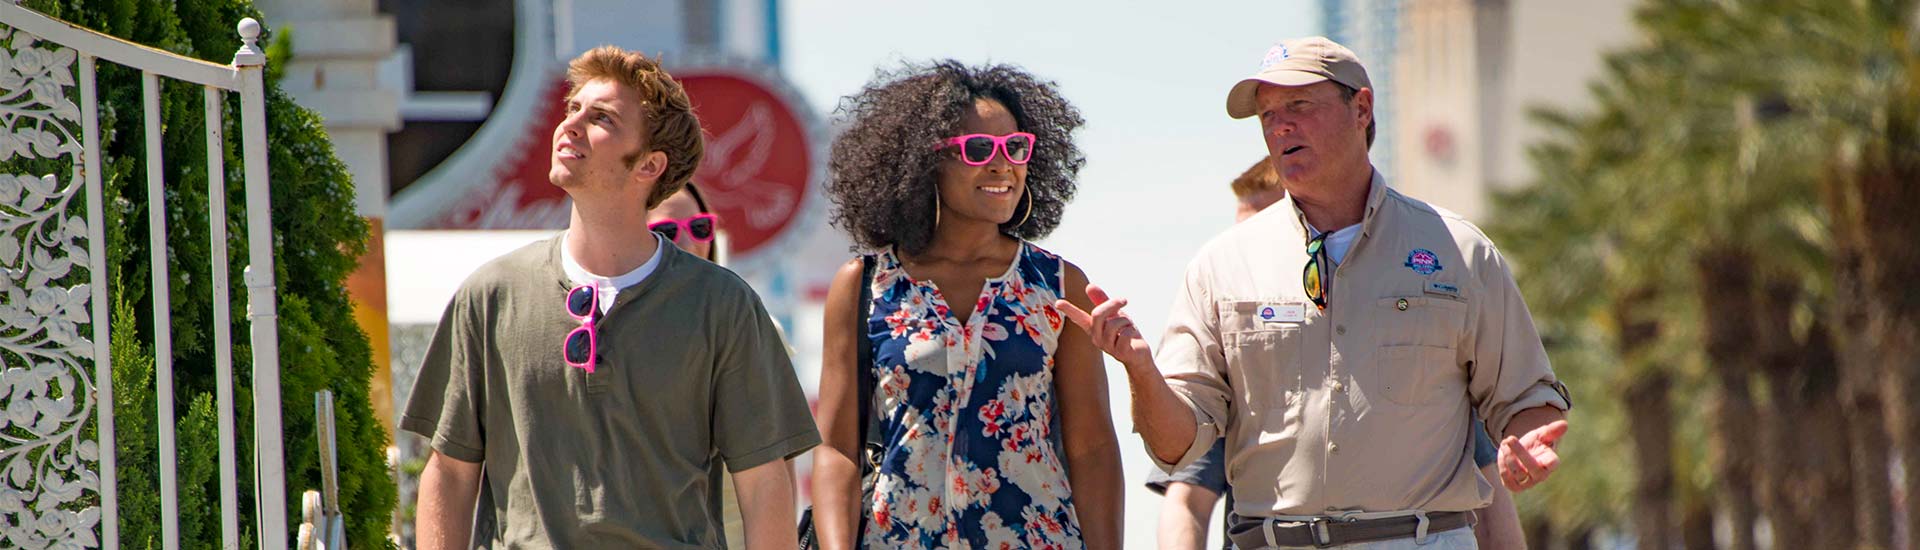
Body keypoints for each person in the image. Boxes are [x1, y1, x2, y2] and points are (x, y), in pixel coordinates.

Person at [1062, 37, 1572, 549]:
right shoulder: (1220, 266)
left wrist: (1528, 440)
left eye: (1298, 106)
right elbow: (1176, 447)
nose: (1279, 126)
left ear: (1362, 108)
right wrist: (1142, 372)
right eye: (1267, 115)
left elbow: (1527, 396)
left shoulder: (1460, 252)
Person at [404, 46, 819, 549]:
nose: (571, 125)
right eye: (572, 109)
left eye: (600, 117)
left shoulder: (723, 306)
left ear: (649, 165)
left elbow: (764, 485)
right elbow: (449, 470)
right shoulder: (489, 295)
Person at [809, 60, 1124, 550]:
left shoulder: (1059, 285)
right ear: (924, 161)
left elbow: (1092, 448)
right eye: (978, 149)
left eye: (1014, 147)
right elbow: (836, 451)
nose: (1002, 165)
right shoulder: (865, 285)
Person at [1149, 160, 1524, 550]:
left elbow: (1492, 495)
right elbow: (1187, 502)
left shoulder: (1417, 342)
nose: (1255, 258)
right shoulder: (1239, 353)